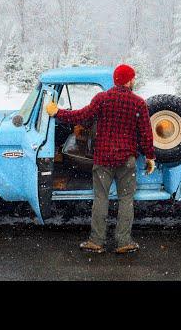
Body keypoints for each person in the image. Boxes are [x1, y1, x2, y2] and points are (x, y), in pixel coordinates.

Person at [46, 64, 156, 254]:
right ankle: (123, 242)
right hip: (126, 160)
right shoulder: (138, 103)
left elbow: (81, 116)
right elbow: (146, 134)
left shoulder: (102, 99)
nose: (134, 81)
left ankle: (96, 241)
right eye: (133, 78)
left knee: (100, 198)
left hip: (103, 158)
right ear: (128, 80)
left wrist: (58, 113)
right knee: (126, 199)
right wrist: (150, 157)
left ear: (115, 80)